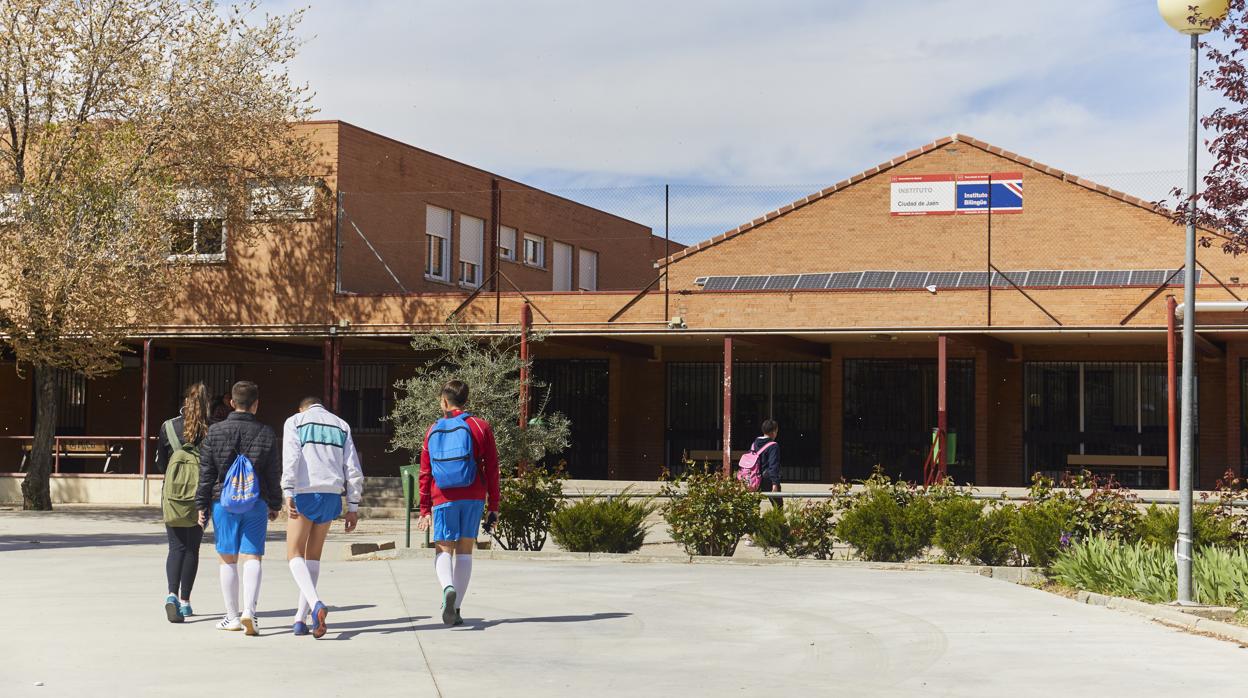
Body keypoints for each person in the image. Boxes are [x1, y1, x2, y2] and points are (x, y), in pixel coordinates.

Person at [195, 381, 281, 636]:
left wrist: (201, 505)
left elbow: (206, 473)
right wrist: (274, 503)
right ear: (256, 404)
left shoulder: (215, 432)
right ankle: (250, 613)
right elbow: (273, 472)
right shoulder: (266, 433)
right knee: (253, 556)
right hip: (256, 502)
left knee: (227, 558)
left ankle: (231, 616)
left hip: (223, 502)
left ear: (232, 402)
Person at [416, 380, 500, 627]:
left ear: (444, 401)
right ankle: (457, 607)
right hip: (473, 496)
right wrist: (494, 505)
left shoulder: (433, 429)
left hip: (443, 497)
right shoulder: (480, 426)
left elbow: (425, 472)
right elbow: (492, 468)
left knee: (443, 548)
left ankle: (447, 587)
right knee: (464, 552)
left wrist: (423, 508)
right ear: (466, 400)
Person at [281, 397, 364, 639]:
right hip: (332, 496)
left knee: (294, 553)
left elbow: (291, 458)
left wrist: (287, 490)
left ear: (301, 407)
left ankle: (316, 604)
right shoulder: (342, 425)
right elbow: (353, 468)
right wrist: (354, 505)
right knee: (313, 557)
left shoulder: (295, 421)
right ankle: (300, 618)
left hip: (305, 492)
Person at [155, 383, 210, 623]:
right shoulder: (211, 429)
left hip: (173, 496)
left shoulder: (168, 427)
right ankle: (186, 602)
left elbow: (160, 463)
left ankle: (171, 596)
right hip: (200, 496)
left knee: (175, 547)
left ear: (184, 401)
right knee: (192, 548)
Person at [755, 419, 782, 508]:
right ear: (773, 432)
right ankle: (777, 522)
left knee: (753, 507)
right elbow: (773, 465)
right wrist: (775, 483)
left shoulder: (755, 443)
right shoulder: (773, 445)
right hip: (768, 479)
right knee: (778, 507)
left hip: (754, 478)